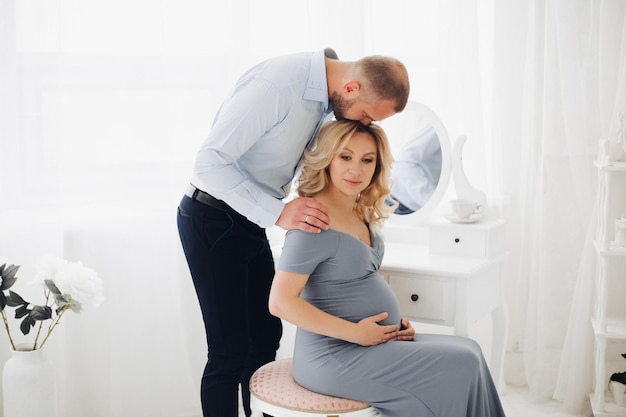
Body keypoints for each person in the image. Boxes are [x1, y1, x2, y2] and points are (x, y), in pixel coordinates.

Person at [176, 48, 410, 417]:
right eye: (366, 115)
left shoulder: (324, 96)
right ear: (350, 87)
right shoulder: (280, 84)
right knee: (228, 350)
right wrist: (280, 212)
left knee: (265, 338)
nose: (364, 125)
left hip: (252, 217)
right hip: (212, 216)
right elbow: (208, 164)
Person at [269, 120, 506, 417]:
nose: (356, 169)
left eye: (367, 160)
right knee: (462, 365)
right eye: (345, 157)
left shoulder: (358, 209)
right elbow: (280, 302)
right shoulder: (312, 220)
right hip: (333, 356)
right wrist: (356, 333)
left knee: (470, 350)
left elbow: (354, 279)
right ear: (327, 158)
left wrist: (393, 325)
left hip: (370, 344)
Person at [390, 120, 442, 214]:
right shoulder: (436, 126)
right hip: (405, 204)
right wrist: (434, 203)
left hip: (412, 204)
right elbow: (404, 162)